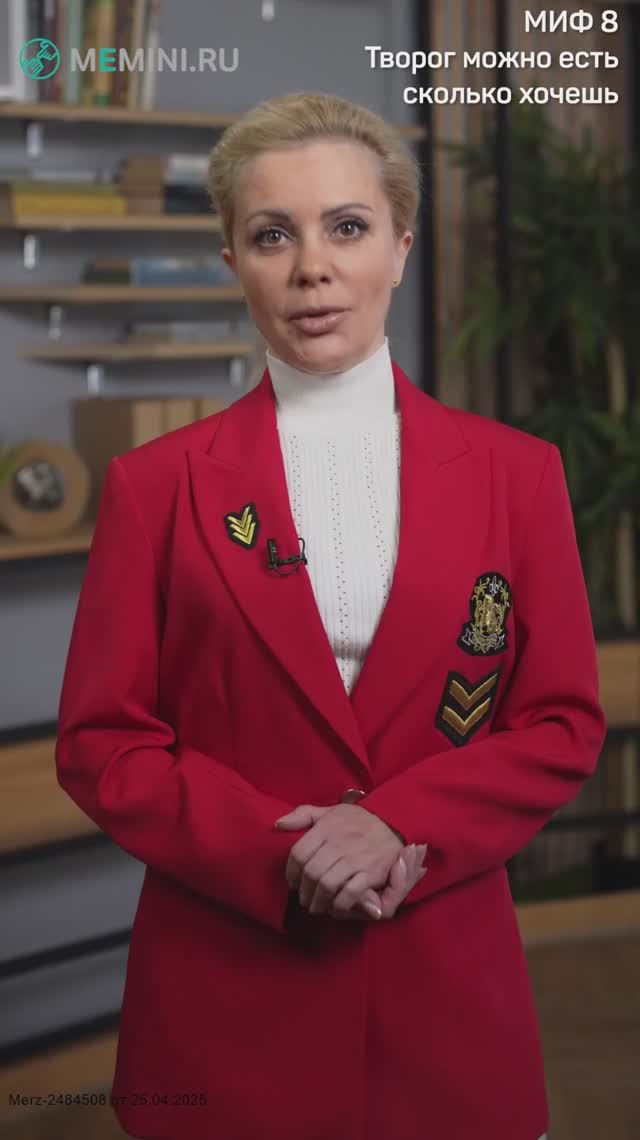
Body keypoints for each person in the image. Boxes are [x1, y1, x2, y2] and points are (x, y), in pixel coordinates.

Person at [55, 91, 605, 1140]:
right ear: (234, 261)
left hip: (448, 998)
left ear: (400, 247)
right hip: (225, 995)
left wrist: (399, 823)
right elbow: (103, 744)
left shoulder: (518, 475)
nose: (312, 267)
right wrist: (290, 856)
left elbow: (558, 722)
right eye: (274, 235)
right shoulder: (152, 487)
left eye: (347, 227)